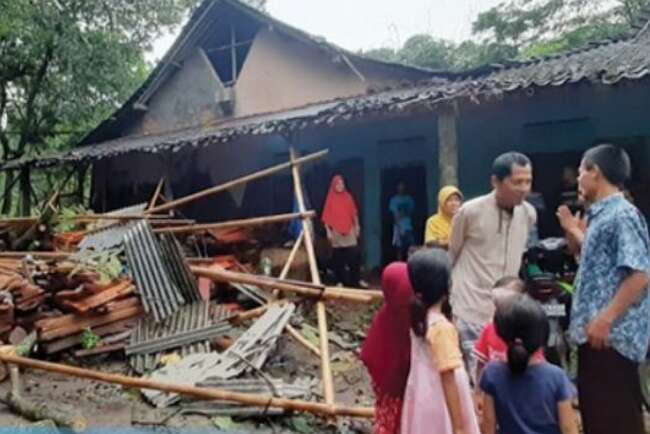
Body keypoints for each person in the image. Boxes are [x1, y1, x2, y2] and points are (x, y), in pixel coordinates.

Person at [557, 144, 650, 434]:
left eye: (582, 171)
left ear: (595, 172)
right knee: (600, 418)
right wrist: (575, 234)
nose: (579, 179)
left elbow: (639, 273)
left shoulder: (621, 215)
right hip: (596, 339)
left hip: (610, 340)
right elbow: (602, 266)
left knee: (615, 420)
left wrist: (606, 318)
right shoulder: (602, 216)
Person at [448, 152, 536, 380]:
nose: (524, 188)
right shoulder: (470, 212)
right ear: (496, 181)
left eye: (528, 181)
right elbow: (453, 253)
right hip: (471, 306)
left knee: (508, 377)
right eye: (517, 182)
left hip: (507, 311)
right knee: (481, 380)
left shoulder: (528, 214)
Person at [401, 248, 480, 434]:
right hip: (443, 401)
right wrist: (458, 427)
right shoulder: (441, 327)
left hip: (423, 394)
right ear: (446, 287)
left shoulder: (420, 318)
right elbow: (448, 378)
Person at [479, 295, 579, 434]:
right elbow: (568, 428)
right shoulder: (556, 377)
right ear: (542, 334)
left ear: (502, 334)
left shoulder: (492, 373)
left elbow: (488, 426)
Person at [361, 262, 413, 434]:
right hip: (401, 391)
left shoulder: (386, 316)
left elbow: (369, 353)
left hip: (388, 391)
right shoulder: (408, 319)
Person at [473, 276, 528, 382]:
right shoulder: (489, 330)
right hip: (494, 387)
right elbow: (481, 363)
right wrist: (478, 388)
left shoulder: (527, 332)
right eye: (497, 306)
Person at [322, 174, 361, 287]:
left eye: (342, 184)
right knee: (338, 258)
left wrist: (357, 226)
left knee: (353, 255)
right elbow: (326, 218)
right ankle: (340, 280)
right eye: (338, 184)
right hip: (336, 232)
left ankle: (354, 281)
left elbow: (354, 213)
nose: (340, 186)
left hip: (349, 230)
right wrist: (328, 232)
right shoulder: (330, 198)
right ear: (334, 186)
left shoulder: (348, 197)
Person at [389, 181, 415, 260]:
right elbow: (395, 215)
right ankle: (399, 266)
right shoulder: (394, 200)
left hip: (409, 227)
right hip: (398, 227)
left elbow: (412, 213)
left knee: (411, 248)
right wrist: (399, 228)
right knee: (399, 249)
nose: (401, 188)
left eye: (402, 186)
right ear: (397, 188)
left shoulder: (409, 199)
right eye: (399, 187)